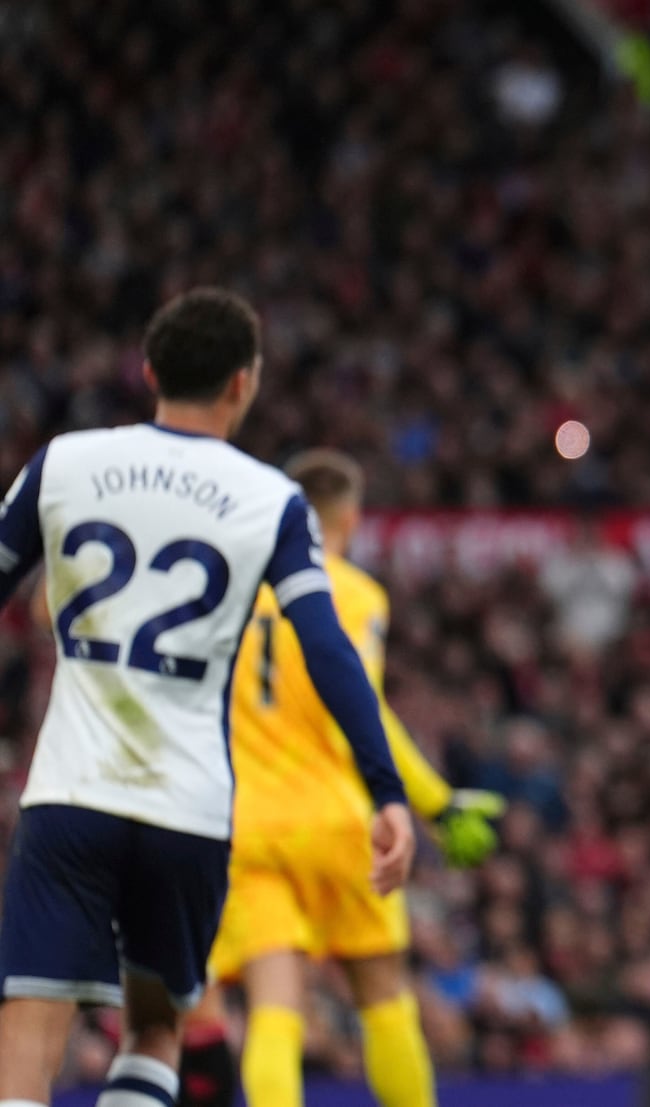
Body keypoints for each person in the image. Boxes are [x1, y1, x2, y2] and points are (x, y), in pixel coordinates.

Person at [0, 288, 414, 1107]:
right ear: (243, 383)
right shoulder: (270, 499)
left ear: (149, 370)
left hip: (71, 794)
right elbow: (327, 650)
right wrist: (386, 787)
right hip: (187, 809)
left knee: (30, 1018)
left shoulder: (65, 462)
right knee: (155, 1024)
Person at [181, 449, 505, 1107]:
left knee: (276, 1005)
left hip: (248, 825)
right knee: (383, 995)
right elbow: (363, 708)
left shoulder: (235, 596)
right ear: (349, 518)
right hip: (337, 819)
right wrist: (436, 802)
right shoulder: (353, 594)